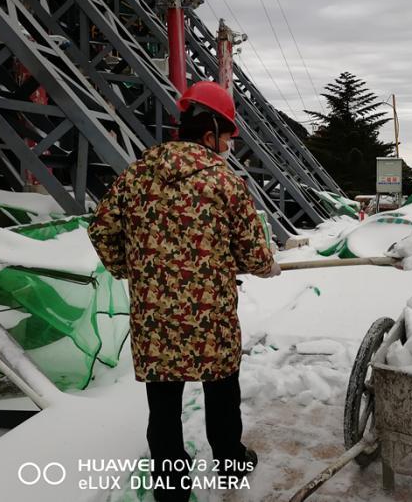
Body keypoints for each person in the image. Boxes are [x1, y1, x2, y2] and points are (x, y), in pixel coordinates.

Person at [87, 81, 280, 502]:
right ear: (210, 130)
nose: (228, 145)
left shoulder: (136, 175)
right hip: (211, 318)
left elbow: (100, 229)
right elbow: (252, 253)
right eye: (228, 136)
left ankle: (171, 486)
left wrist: (129, 269)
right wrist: (268, 266)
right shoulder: (224, 183)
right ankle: (230, 463)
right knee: (222, 392)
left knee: (163, 403)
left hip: (154, 320)